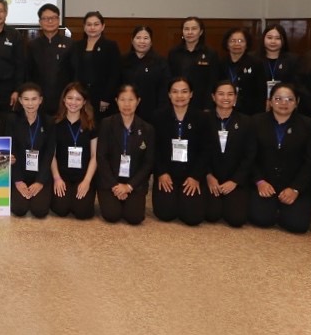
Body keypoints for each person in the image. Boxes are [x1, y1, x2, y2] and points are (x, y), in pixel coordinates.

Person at [249, 83, 311, 233]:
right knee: (261, 219)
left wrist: (295, 188)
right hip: (265, 182)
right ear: (270, 101)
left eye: (289, 99)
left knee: (297, 226)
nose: (283, 103)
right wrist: (259, 181)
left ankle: (283, 208)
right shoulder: (256, 121)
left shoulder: (309, 125)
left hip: (294, 183)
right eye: (278, 98)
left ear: (297, 102)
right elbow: (249, 156)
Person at [152, 77, 210, 225]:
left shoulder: (202, 118)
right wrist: (161, 173)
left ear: (191, 94)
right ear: (169, 94)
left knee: (193, 218)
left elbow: (205, 151)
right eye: (175, 92)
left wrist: (195, 176)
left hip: (191, 173)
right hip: (167, 173)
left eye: (184, 91)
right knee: (165, 214)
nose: (179, 96)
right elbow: (154, 149)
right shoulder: (158, 117)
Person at [95, 85, 155, 225]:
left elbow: (148, 162)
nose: (126, 104)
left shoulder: (147, 129)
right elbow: (101, 157)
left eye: (131, 100)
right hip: (110, 181)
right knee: (112, 215)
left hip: (134, 183)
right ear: (116, 101)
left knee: (134, 218)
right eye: (122, 99)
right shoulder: (106, 124)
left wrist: (129, 186)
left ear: (138, 101)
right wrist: (114, 185)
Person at [204, 81, 254, 227]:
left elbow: (250, 155)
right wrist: (208, 175)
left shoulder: (246, 122)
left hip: (235, 178)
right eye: (221, 94)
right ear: (213, 97)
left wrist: (235, 180)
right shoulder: (204, 119)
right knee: (211, 215)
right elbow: (199, 151)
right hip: (211, 177)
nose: (226, 98)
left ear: (235, 97)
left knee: (236, 219)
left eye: (230, 94)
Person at [49, 82, 97, 219]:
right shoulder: (55, 123)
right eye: (70, 98)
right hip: (62, 175)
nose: (73, 102)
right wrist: (57, 178)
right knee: (61, 210)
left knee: (82, 212)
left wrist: (87, 181)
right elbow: (51, 155)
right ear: (64, 99)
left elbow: (94, 155)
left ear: (84, 102)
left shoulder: (91, 124)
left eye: (78, 99)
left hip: (83, 175)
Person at [10, 83, 54, 219]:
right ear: (20, 100)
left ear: (40, 100)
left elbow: (49, 154)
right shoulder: (12, 121)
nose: (30, 103)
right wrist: (18, 181)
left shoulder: (49, 122)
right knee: (19, 209)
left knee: (40, 211)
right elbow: (12, 152)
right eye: (26, 99)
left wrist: (40, 181)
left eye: (34, 99)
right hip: (20, 173)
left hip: (40, 173)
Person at [70, 11, 120, 121]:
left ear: (103, 26)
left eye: (96, 24)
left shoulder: (110, 46)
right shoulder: (77, 46)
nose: (92, 27)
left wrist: (106, 98)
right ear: (84, 27)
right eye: (89, 24)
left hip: (102, 96)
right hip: (81, 94)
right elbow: (73, 70)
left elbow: (115, 74)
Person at [27, 3, 73, 117]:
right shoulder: (32, 45)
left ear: (59, 20)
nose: (50, 21)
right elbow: (28, 73)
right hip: (39, 99)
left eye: (53, 18)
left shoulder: (70, 44)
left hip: (64, 99)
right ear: (40, 22)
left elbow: (75, 72)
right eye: (46, 18)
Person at [168, 16, 220, 111]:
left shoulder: (210, 53)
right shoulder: (174, 53)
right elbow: (170, 79)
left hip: (201, 103)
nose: (190, 32)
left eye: (194, 29)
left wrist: (208, 106)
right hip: (178, 101)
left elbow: (213, 81)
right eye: (186, 29)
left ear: (201, 32)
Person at [120, 25, 169, 124]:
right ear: (132, 40)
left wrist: (160, 112)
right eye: (138, 38)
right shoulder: (122, 61)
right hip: (126, 111)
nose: (142, 41)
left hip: (152, 114)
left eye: (146, 38)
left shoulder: (160, 62)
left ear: (151, 42)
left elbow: (164, 90)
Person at [220, 27, 265, 116]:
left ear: (247, 44)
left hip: (249, 111)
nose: (237, 44)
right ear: (227, 44)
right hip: (224, 108)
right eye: (232, 41)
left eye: (241, 41)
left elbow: (261, 92)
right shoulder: (221, 63)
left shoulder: (256, 63)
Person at [260, 24, 299, 103]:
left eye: (278, 38)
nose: (273, 41)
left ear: (283, 40)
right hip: (258, 102)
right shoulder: (253, 59)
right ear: (263, 38)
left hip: (284, 102)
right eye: (269, 38)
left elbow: (296, 85)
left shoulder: (293, 60)